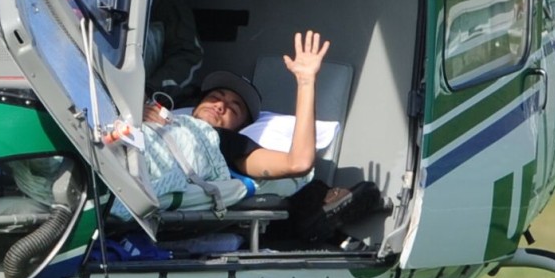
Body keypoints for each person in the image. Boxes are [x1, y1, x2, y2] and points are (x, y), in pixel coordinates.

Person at [141, 30, 379, 241]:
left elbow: (298, 163)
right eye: (216, 96)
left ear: (241, 127)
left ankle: (319, 202)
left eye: (234, 108)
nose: (221, 105)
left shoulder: (224, 142)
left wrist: (306, 82)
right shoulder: (159, 114)